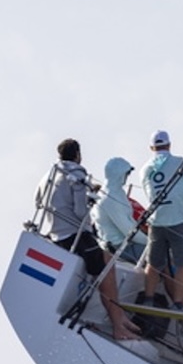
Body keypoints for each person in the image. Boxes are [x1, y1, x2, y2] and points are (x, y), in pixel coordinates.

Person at [35, 138, 139, 340]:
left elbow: (37, 199)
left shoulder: (50, 173)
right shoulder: (77, 174)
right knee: (105, 270)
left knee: (107, 258)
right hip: (75, 235)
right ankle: (118, 325)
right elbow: (79, 210)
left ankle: (120, 317)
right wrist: (90, 200)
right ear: (77, 155)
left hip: (55, 234)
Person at [139, 130, 183, 310]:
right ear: (169, 144)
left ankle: (148, 299)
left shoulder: (145, 169)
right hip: (177, 221)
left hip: (156, 222)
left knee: (153, 264)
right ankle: (177, 303)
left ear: (152, 147)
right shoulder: (179, 162)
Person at [92, 156, 148, 264]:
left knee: (164, 252)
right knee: (161, 254)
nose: (127, 176)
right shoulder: (109, 198)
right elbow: (128, 231)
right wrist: (151, 242)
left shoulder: (116, 192)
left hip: (128, 244)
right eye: (127, 173)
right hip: (119, 248)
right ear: (119, 174)